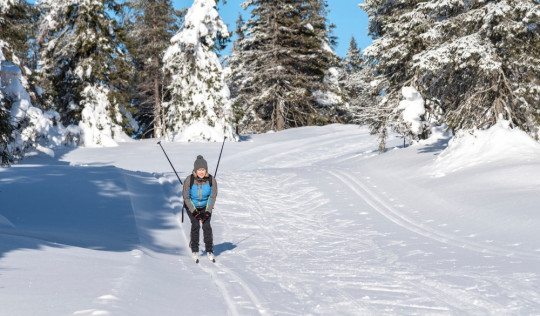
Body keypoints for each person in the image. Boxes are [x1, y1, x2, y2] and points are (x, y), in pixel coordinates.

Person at [183, 155, 218, 262]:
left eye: (203, 169)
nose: (201, 172)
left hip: (205, 207)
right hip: (191, 206)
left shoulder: (211, 180)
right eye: (199, 169)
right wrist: (194, 212)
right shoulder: (189, 180)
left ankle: (209, 249)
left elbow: (212, 197)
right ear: (195, 170)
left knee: (206, 226)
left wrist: (207, 211)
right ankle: (194, 249)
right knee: (196, 225)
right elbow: (186, 197)